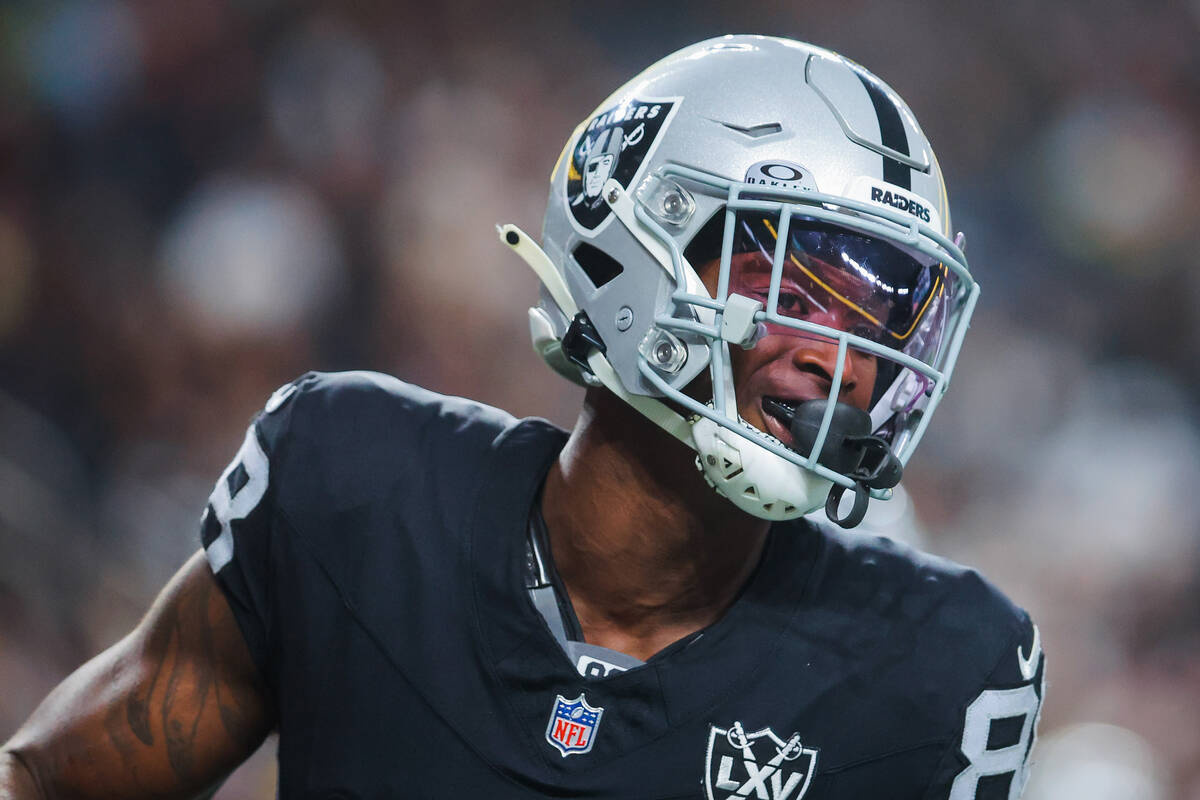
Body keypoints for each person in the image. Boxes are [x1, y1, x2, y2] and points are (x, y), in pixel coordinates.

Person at [0, 35, 1044, 799]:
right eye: (804, 287)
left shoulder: (938, 669)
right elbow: (52, 778)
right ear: (642, 244)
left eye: (887, 313)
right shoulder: (352, 484)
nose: (843, 357)